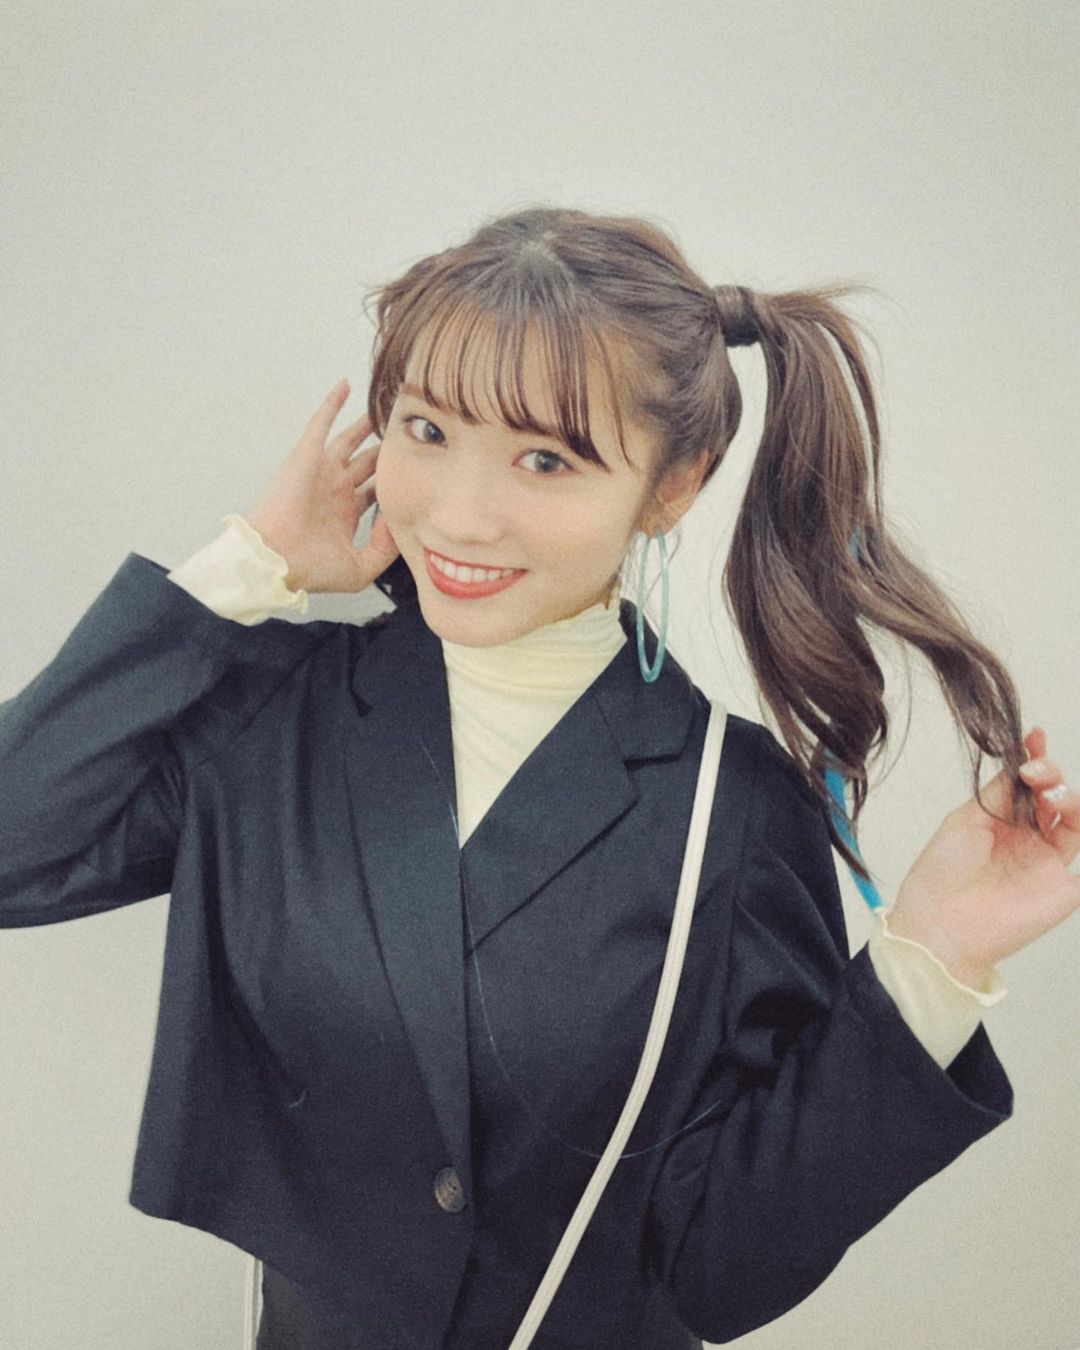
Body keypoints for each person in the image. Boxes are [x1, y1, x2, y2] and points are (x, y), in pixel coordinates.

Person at [1, 205, 1076, 1350]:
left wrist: (934, 958)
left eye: (546, 459)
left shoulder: (733, 808)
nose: (462, 515)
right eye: (426, 430)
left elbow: (723, 1268)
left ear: (672, 486)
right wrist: (245, 571)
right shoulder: (273, 719)